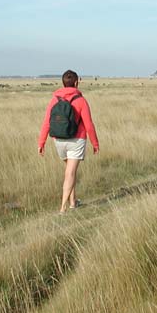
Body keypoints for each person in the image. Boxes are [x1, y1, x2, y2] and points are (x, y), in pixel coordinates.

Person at [38, 70, 99, 213]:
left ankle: (73, 203)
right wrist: (95, 143)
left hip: (58, 140)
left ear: (63, 83)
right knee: (70, 173)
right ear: (77, 83)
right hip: (76, 140)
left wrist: (41, 143)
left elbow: (46, 123)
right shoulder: (81, 100)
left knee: (69, 172)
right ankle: (63, 208)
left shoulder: (54, 99)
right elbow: (89, 124)